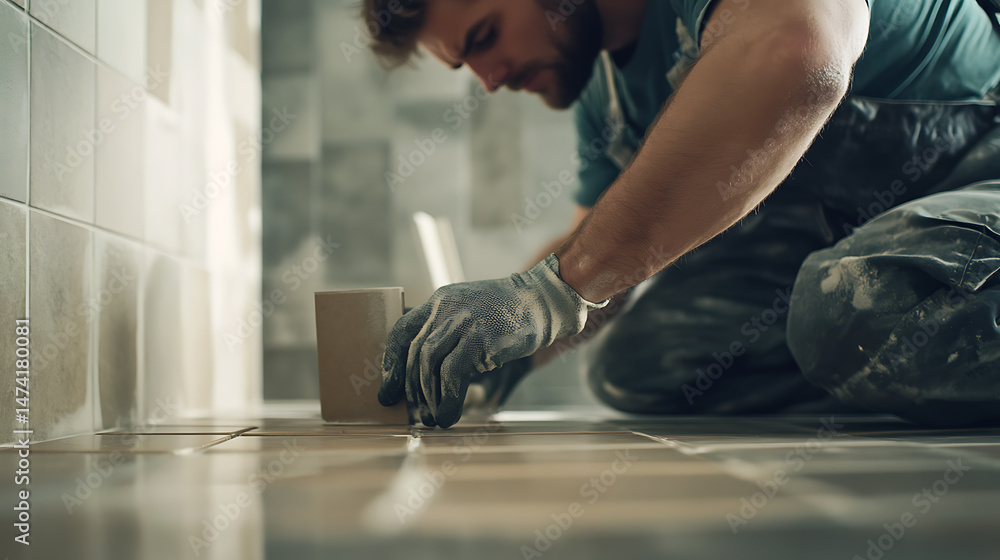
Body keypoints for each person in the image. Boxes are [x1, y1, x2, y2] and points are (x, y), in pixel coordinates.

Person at [363, 0, 1000, 428]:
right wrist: (506, 346)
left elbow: (798, 49)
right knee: (642, 365)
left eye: (485, 37)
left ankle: (859, 343)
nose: (489, 79)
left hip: (982, 171)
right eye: (464, 63)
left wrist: (552, 291)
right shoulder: (605, 92)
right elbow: (597, 248)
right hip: (852, 234)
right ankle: (881, 368)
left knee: (850, 305)